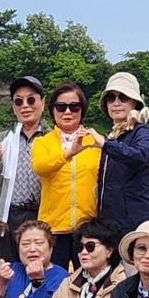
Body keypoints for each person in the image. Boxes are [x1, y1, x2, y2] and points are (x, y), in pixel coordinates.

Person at [32, 82, 101, 270]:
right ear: (53, 110)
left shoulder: (95, 142)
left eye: (74, 106)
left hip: (87, 227)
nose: (68, 112)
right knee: (54, 281)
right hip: (53, 228)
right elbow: (40, 167)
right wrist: (69, 153)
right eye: (61, 107)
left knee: (89, 280)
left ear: (82, 110)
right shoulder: (42, 142)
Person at [82, 72, 149, 236]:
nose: (116, 103)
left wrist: (106, 144)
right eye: (111, 98)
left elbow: (141, 155)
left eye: (123, 97)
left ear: (134, 102)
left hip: (136, 223)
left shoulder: (142, 131)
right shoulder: (112, 135)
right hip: (109, 224)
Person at [0, 75, 49, 262]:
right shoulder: (4, 138)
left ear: (43, 103)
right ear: (13, 107)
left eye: (31, 100)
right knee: (7, 266)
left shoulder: (52, 137)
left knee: (38, 264)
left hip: (40, 213)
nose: (25, 106)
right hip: (8, 213)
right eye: (19, 101)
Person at [47, 218, 126, 298]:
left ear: (109, 251)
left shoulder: (122, 285)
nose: (83, 252)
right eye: (80, 247)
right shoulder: (67, 284)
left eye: (90, 246)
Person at [0, 219, 67, 298]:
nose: (32, 249)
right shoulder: (11, 270)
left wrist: (37, 281)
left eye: (39, 243)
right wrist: (0, 284)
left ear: (50, 248)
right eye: (25, 244)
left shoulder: (63, 279)